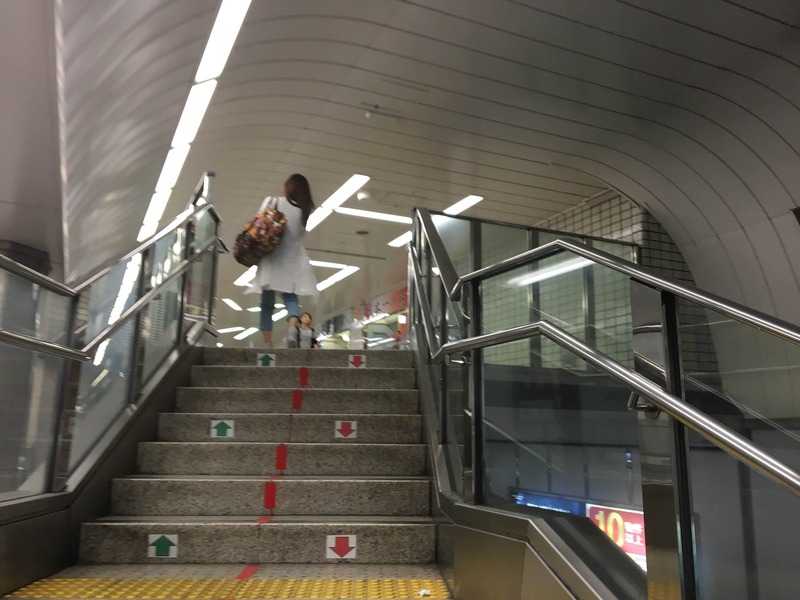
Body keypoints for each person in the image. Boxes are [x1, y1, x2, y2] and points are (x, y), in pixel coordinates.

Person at [245, 174, 318, 347]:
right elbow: (298, 237)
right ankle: (292, 331)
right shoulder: (303, 213)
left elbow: (257, 224)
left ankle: (267, 343)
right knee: (291, 299)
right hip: (290, 262)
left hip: (271, 260)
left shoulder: (273, 201)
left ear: (289, 187)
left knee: (266, 304)